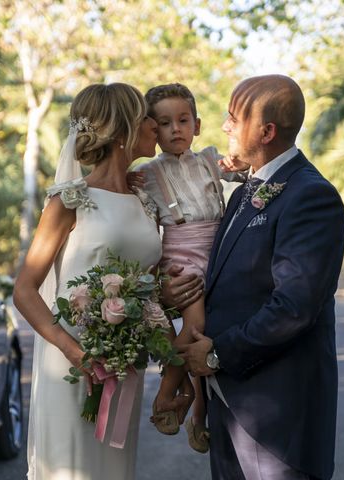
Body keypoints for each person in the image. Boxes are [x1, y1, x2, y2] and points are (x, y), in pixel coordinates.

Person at [176, 75, 344, 480]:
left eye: (234, 119)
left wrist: (218, 354)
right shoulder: (242, 193)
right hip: (229, 405)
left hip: (278, 420)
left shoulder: (311, 196)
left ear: (267, 131)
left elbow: (294, 307)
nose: (225, 127)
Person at [13, 83, 162, 480]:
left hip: (124, 364)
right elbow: (25, 290)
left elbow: (149, 278)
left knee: (113, 468)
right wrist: (72, 349)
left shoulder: (145, 201)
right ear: (123, 128)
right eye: (146, 115)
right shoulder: (69, 201)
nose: (155, 124)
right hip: (73, 364)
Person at [133, 83, 248, 453]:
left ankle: (200, 417)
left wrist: (239, 164)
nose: (175, 129)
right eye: (164, 124)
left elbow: (245, 170)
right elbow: (132, 207)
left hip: (217, 253)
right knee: (195, 326)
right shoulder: (149, 172)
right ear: (153, 130)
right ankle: (166, 396)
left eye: (183, 120)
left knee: (206, 334)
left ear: (197, 125)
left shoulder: (211, 161)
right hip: (182, 258)